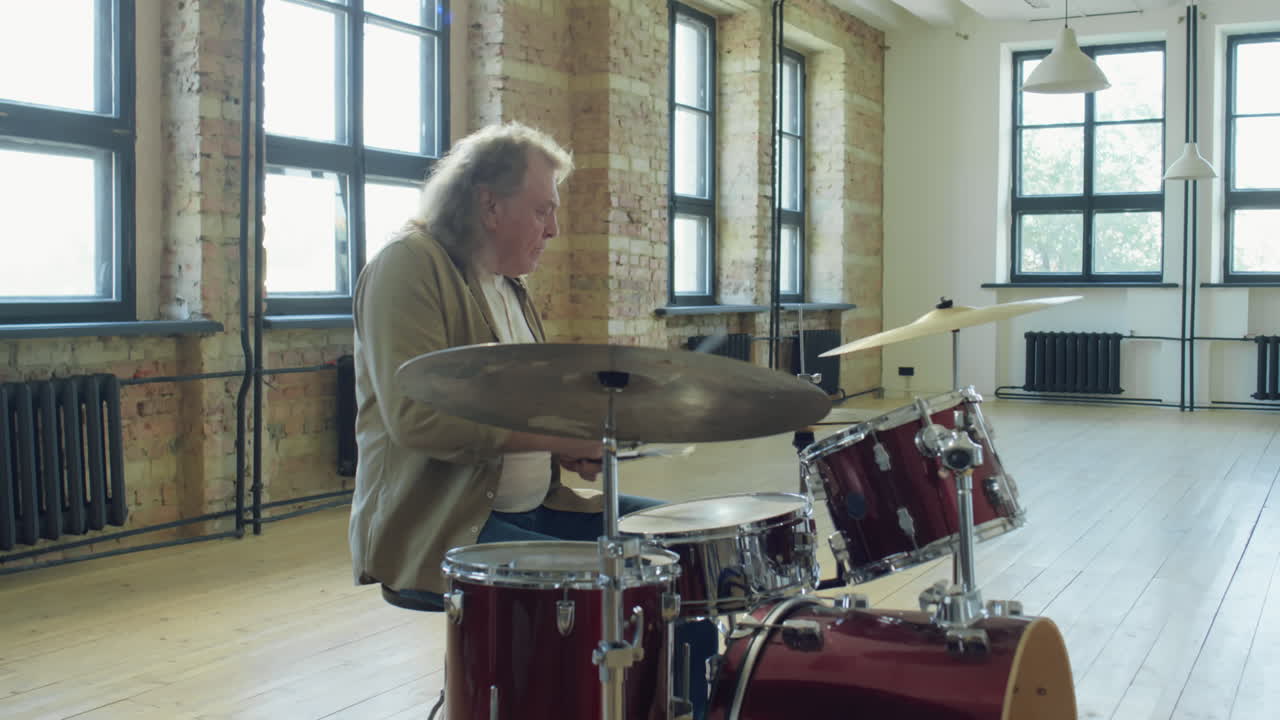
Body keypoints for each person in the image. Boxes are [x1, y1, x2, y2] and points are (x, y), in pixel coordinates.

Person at [349, 121, 714, 718]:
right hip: (448, 526)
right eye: (542, 210)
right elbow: (417, 418)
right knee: (628, 586)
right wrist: (554, 436)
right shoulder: (407, 266)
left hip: (535, 507)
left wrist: (566, 447)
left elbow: (516, 411)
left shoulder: (507, 285)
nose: (554, 229)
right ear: (489, 205)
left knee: (688, 551)